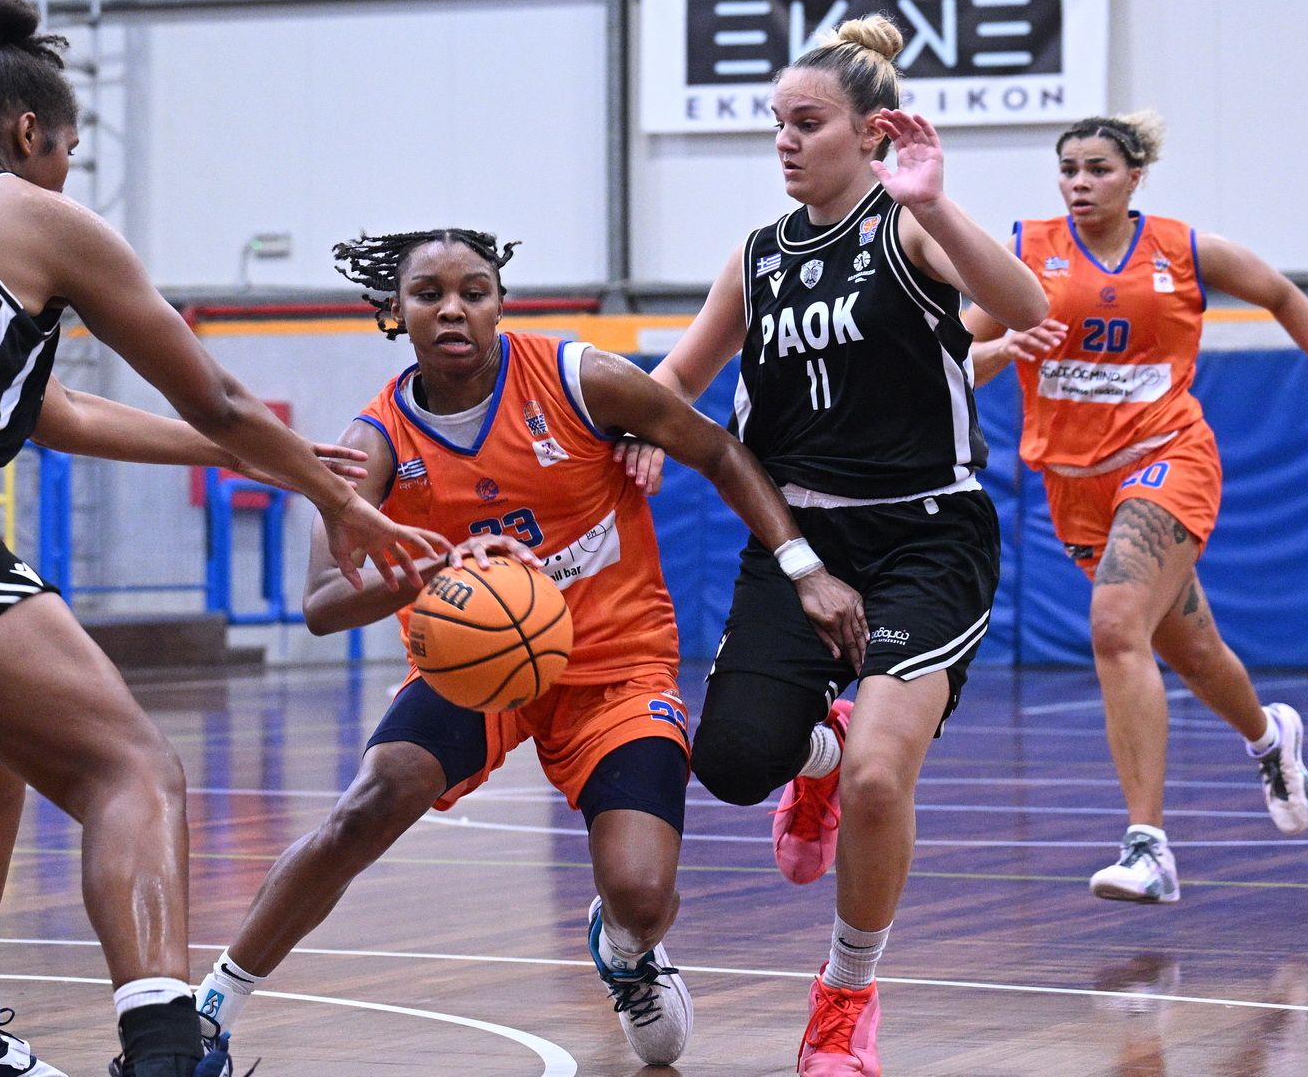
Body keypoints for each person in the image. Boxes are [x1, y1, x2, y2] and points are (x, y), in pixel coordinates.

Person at [0, 0, 441, 1075]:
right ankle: (165, 1054)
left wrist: (246, 461)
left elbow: (52, 413)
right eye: (68, 150)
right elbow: (219, 396)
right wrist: (330, 498)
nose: (67, 171)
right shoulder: (33, 213)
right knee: (131, 772)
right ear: (27, 133)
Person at [191, 227, 855, 1069]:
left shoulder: (580, 380)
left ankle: (625, 949)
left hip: (616, 666)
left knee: (642, 893)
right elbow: (323, 604)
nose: (453, 309)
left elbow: (720, 450)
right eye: (428, 294)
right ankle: (209, 1008)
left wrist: (802, 566)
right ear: (395, 311)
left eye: (473, 291)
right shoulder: (373, 442)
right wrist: (437, 564)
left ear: (501, 303)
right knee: (369, 804)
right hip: (476, 670)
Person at [621, 15, 1047, 1073]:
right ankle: (816, 756)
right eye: (777, 122)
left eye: (807, 123)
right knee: (731, 764)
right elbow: (680, 376)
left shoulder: (908, 231)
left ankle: (845, 997)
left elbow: (1026, 303)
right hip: (799, 539)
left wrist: (934, 200)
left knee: (879, 781)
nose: (785, 140)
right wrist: (632, 431)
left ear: (871, 133)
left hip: (924, 539)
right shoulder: (758, 257)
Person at [963, 110, 1308, 903]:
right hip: (1074, 484)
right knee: (1192, 653)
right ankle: (1270, 737)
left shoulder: (1184, 250)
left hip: (1167, 459)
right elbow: (958, 360)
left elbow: (1283, 296)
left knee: (1113, 625)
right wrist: (998, 348)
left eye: (1098, 169)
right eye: (1069, 169)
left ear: (1134, 177)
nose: (1080, 183)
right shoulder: (1024, 254)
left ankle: (1148, 848)